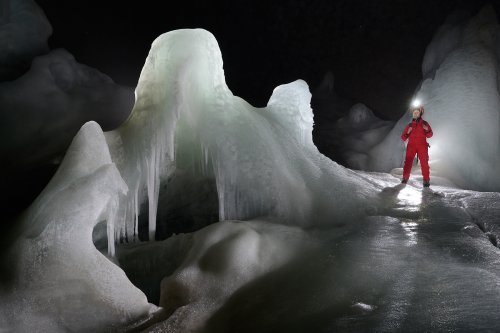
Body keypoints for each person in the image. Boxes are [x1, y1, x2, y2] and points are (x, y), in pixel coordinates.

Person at [401, 106, 433, 187]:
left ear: (420, 113)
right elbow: (403, 137)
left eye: (417, 112)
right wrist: (408, 132)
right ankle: (405, 178)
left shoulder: (425, 123)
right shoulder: (410, 125)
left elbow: (430, 135)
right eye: (414, 112)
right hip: (411, 146)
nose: (415, 114)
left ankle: (426, 180)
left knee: (424, 163)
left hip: (422, 146)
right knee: (408, 162)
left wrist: (426, 129)